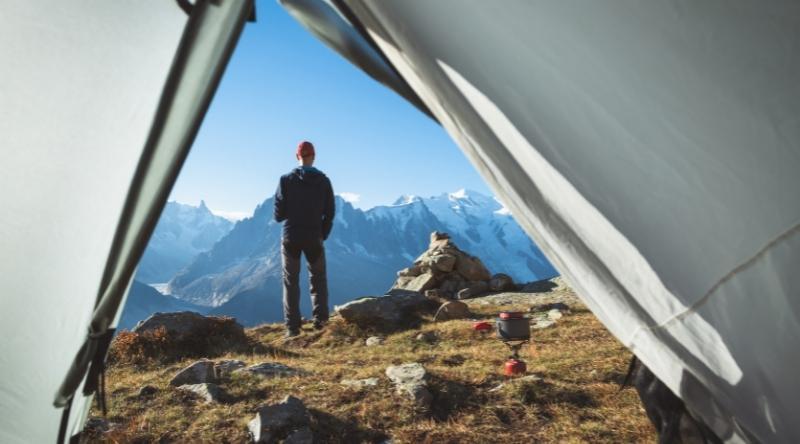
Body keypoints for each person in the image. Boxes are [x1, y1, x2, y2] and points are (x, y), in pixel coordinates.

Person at [274, 140, 335, 337]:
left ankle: (292, 329)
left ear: (297, 156)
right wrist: (322, 234)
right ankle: (321, 323)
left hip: (291, 236)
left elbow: (278, 215)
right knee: (318, 280)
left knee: (290, 281)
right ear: (314, 156)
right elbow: (330, 212)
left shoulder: (285, 180)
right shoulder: (324, 181)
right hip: (314, 237)